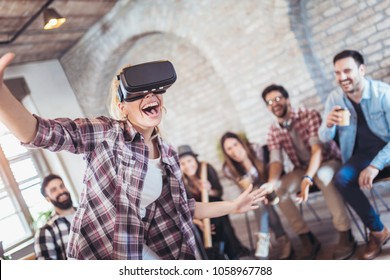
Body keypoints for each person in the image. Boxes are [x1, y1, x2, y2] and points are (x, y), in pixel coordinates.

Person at [0, 52, 266, 260]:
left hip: (138, 249)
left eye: (154, 91)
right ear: (121, 106)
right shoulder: (106, 133)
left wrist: (232, 206)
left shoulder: (169, 154)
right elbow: (42, 132)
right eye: (139, 92)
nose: (150, 96)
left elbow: (182, 207)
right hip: (98, 256)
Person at [260, 84, 355, 260]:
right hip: (301, 167)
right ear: (268, 107)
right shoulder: (273, 129)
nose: (275, 103)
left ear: (287, 99)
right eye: (270, 101)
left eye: (278, 98)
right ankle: (307, 238)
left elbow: (317, 151)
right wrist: (270, 183)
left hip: (327, 161)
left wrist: (307, 178)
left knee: (322, 177)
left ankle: (345, 234)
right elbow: (275, 161)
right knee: (278, 189)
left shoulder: (308, 114)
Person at [319, 49, 390, 260]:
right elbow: (323, 136)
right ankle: (377, 231)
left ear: (361, 69)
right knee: (342, 179)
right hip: (361, 154)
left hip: (386, 149)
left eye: (347, 71)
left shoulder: (383, 93)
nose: (342, 77)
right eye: (337, 73)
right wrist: (329, 124)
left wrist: (375, 165)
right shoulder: (335, 98)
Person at [220, 132, 293, 260]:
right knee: (259, 201)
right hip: (255, 194)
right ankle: (282, 239)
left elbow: (268, 172)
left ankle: (263, 239)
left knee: (259, 198)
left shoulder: (255, 149)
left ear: (241, 143)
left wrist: (246, 160)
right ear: (226, 152)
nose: (233, 150)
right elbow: (246, 189)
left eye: (235, 144)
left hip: (271, 185)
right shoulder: (228, 168)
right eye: (229, 149)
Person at [178, 144, 251, 259]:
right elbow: (184, 209)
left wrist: (209, 190)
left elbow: (219, 192)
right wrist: (200, 223)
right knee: (208, 245)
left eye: (189, 161)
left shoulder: (206, 168)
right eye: (182, 163)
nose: (187, 166)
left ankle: (233, 254)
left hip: (216, 210)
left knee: (222, 228)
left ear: (195, 160)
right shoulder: (180, 182)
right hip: (198, 218)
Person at [34, 174, 76, 260]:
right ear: (47, 199)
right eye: (53, 190)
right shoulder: (45, 232)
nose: (61, 191)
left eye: (62, 186)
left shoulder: (87, 212)